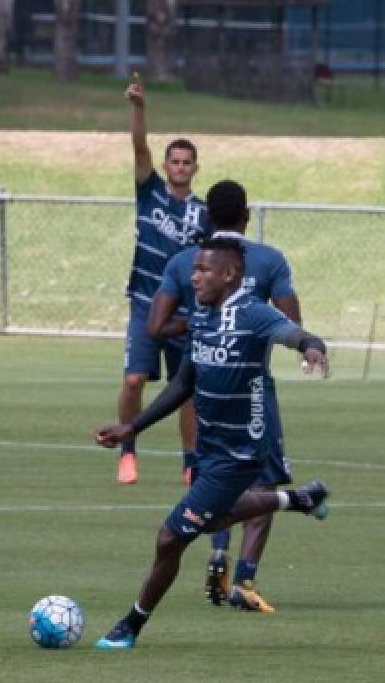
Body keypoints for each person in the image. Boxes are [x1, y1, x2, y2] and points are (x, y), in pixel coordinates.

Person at [93, 237, 331, 649]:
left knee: (171, 537)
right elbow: (184, 382)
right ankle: (299, 500)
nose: (195, 276)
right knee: (215, 521)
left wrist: (311, 347)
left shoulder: (253, 313)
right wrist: (132, 428)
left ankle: (129, 626)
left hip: (241, 451)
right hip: (210, 447)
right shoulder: (201, 316)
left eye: (203, 269)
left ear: (229, 274)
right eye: (194, 269)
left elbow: (294, 333)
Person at [148, 179, 304, 613]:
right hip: (252, 391)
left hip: (204, 389)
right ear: (247, 214)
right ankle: (246, 579)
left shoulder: (185, 262)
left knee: (213, 478)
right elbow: (290, 318)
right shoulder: (269, 260)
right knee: (263, 480)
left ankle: (217, 551)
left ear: (205, 215)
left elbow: (156, 327)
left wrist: (197, 327)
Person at [116, 71, 211, 486]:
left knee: (184, 388)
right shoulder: (149, 190)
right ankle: (127, 451)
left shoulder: (203, 213)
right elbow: (139, 147)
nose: (179, 167)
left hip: (183, 310)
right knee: (135, 379)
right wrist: (139, 108)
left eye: (186, 162)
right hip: (144, 300)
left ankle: (190, 462)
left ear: (195, 168)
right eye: (174, 161)